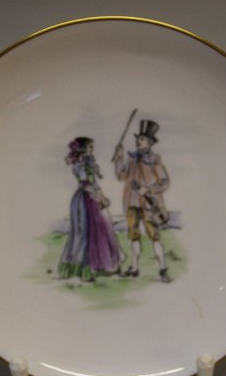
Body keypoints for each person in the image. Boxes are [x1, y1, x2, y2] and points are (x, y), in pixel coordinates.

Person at [114, 120, 171, 282]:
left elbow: (165, 182)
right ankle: (134, 268)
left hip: (149, 205)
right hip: (132, 202)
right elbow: (121, 176)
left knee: (154, 235)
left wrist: (148, 189)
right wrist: (119, 158)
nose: (138, 141)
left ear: (150, 142)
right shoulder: (132, 158)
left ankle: (163, 270)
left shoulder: (154, 159)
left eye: (142, 139)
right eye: (138, 138)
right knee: (133, 235)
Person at [58, 137, 123, 281]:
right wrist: (100, 197)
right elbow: (87, 183)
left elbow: (94, 183)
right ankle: (84, 270)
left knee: (97, 231)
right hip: (85, 199)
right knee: (84, 233)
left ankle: (100, 266)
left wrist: (101, 196)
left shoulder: (88, 163)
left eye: (92, 147)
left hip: (88, 198)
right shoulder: (82, 165)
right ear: (82, 149)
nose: (92, 149)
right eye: (90, 147)